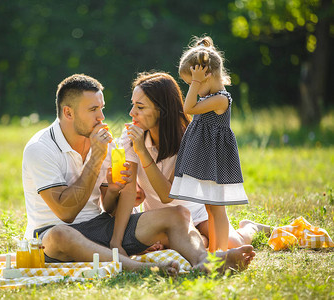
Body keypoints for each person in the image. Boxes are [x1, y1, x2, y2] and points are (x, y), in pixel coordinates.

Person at [21, 73, 255, 274]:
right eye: (93, 110)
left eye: (101, 109)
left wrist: (113, 191)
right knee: (60, 234)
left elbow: (109, 206)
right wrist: (95, 159)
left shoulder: (103, 143)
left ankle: (204, 262)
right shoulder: (40, 149)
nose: (102, 118)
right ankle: (137, 268)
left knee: (178, 213)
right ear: (68, 113)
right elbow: (66, 213)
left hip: (99, 227)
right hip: (52, 238)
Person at [105, 71, 269, 254]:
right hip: (161, 218)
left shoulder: (190, 139)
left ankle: (250, 227)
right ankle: (201, 241)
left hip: (197, 213)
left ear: (162, 110)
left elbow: (167, 194)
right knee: (173, 246)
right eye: (133, 105)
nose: (131, 113)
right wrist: (116, 243)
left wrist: (142, 152)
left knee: (232, 243)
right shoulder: (131, 137)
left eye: (140, 107)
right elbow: (128, 191)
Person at [168, 36, 249, 252]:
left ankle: (220, 252)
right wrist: (196, 81)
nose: (190, 88)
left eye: (191, 83)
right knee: (209, 207)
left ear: (207, 76)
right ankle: (214, 251)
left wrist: (194, 83)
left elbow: (188, 108)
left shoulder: (222, 99)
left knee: (217, 208)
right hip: (205, 157)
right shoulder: (208, 97)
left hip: (215, 158)